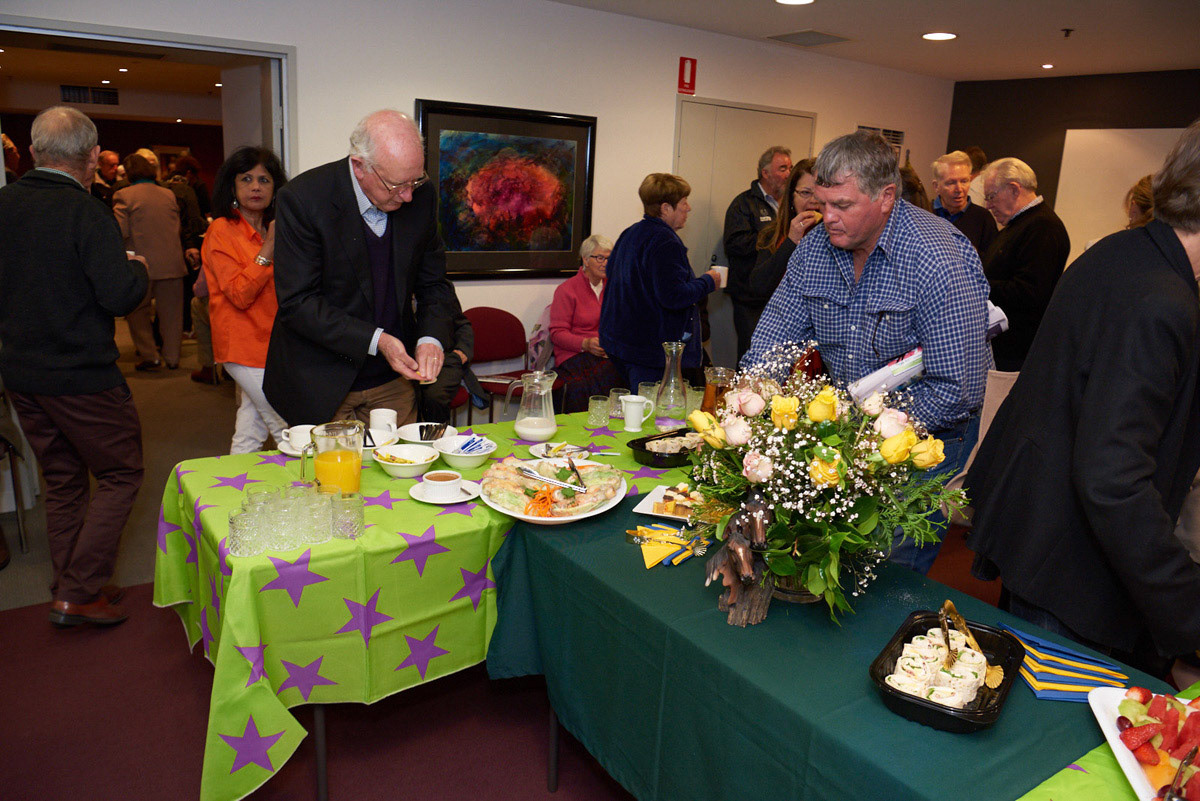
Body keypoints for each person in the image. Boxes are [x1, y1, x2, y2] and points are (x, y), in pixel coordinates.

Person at [965, 120, 1200, 674]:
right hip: (1073, 566)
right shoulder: (1160, 298)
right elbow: (1113, 476)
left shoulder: (1125, 252)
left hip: (1042, 535)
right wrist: (1186, 606)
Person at [743, 130, 992, 575]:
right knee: (840, 552)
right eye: (822, 203)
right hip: (854, 427)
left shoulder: (938, 258)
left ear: (886, 197)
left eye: (843, 206)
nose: (828, 218)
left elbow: (958, 387)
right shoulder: (816, 249)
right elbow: (775, 336)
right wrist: (749, 395)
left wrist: (864, 440)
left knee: (888, 562)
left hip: (928, 433)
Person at [0, 106, 149, 626]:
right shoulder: (88, 213)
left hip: (21, 374)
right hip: (82, 376)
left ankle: (68, 579)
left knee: (63, 477)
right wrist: (139, 270)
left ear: (36, 152)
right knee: (120, 472)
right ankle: (79, 591)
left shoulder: (4, 204)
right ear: (91, 158)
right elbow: (116, 296)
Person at [263, 109, 461, 426]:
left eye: (415, 180)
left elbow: (434, 284)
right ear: (359, 167)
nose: (409, 195)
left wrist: (430, 339)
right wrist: (378, 340)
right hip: (320, 381)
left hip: (393, 380)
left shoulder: (421, 196)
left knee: (402, 470)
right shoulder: (303, 200)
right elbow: (298, 303)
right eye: (397, 185)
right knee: (330, 475)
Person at [202, 146, 290, 452]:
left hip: (274, 344)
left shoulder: (273, 228)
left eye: (264, 180)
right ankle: (312, 489)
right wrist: (268, 249)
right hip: (242, 346)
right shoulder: (221, 230)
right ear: (233, 187)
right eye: (247, 179)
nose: (256, 187)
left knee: (250, 429)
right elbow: (239, 294)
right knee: (286, 426)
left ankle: (236, 490)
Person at [599, 173, 723, 389]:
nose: (689, 208)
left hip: (620, 343)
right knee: (652, 415)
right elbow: (673, 296)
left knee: (636, 409)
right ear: (666, 208)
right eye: (684, 202)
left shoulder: (629, 233)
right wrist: (708, 281)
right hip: (648, 350)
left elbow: (611, 273)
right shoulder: (665, 242)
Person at [980, 157, 1070, 371]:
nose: (988, 205)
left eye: (991, 196)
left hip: (1016, 355)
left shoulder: (1043, 228)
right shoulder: (1022, 225)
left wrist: (978, 285)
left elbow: (1030, 293)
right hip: (1006, 349)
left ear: (1013, 189)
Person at [114, 153, 192, 371]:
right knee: (172, 314)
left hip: (141, 265)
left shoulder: (123, 195)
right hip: (172, 264)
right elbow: (176, 227)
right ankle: (173, 358)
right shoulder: (169, 194)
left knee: (137, 311)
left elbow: (120, 231)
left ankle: (150, 355)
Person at [723, 146, 793, 359]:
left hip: (783, 297)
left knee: (779, 359)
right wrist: (774, 237)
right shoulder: (743, 203)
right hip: (750, 297)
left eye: (790, 168)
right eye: (782, 168)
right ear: (765, 173)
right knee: (752, 355)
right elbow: (735, 244)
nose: (788, 174)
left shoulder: (791, 205)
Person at [549, 234, 625, 412]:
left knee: (626, 369)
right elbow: (557, 333)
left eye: (609, 258)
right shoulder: (567, 290)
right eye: (600, 258)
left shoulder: (613, 288)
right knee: (590, 382)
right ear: (585, 259)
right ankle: (585, 429)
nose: (605, 263)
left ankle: (614, 427)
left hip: (605, 353)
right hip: (573, 354)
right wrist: (586, 344)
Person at [746, 159, 822, 303]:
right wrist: (791, 241)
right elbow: (758, 287)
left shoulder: (837, 237)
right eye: (806, 192)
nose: (814, 200)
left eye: (819, 194)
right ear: (791, 197)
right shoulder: (773, 234)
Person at [930, 150, 997, 256]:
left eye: (964, 181)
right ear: (936, 186)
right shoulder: (924, 214)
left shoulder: (983, 218)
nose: (959, 189)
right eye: (951, 183)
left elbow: (992, 263)